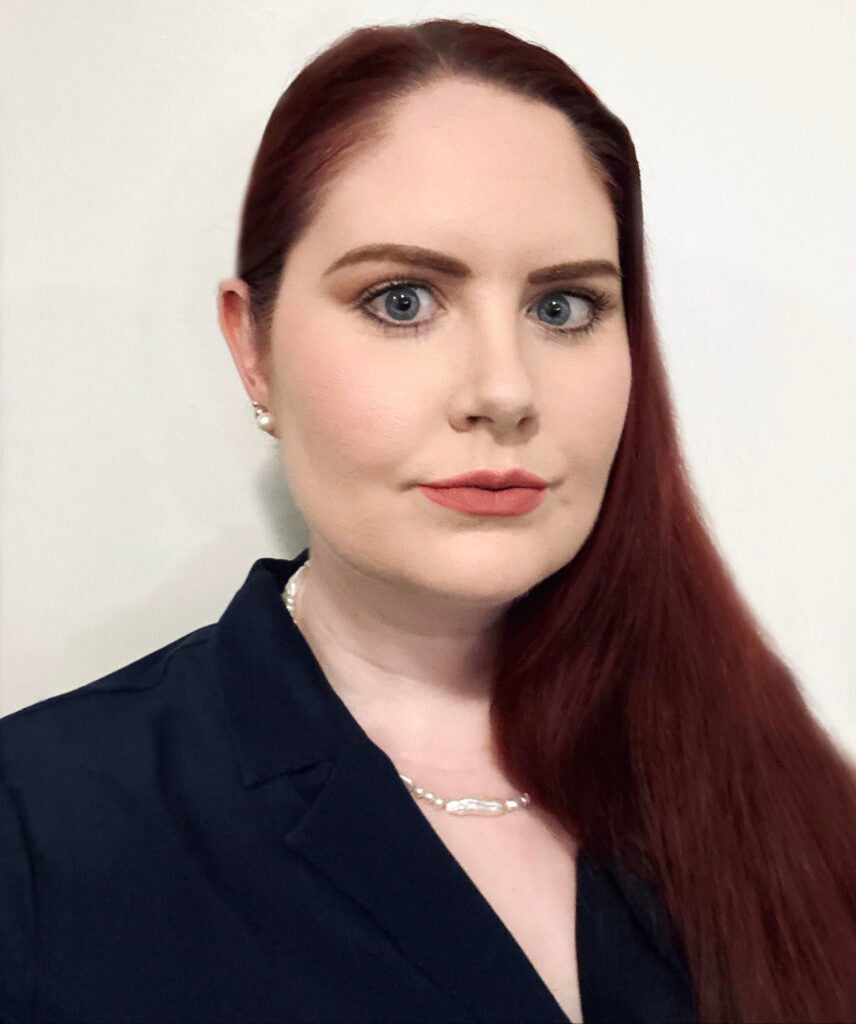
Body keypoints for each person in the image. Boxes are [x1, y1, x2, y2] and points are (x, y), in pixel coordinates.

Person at [2, 18, 855, 1024]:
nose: (503, 390)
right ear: (253, 348)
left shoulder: (775, 788)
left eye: (564, 308)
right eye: (402, 299)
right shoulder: (44, 831)